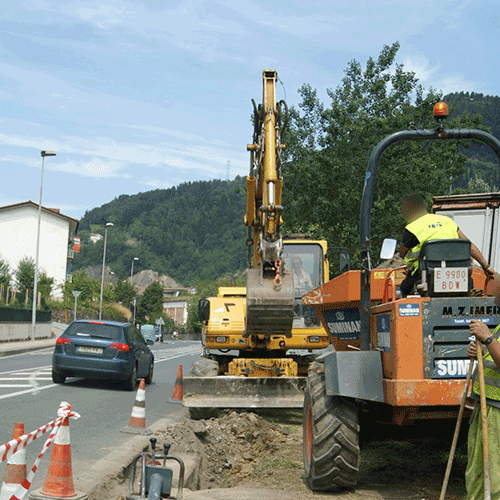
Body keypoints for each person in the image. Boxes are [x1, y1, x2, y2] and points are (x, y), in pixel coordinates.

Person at [398, 193, 494, 297]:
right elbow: (469, 246)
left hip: (427, 278)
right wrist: (486, 266)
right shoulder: (447, 221)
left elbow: (402, 254)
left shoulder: (412, 228)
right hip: (458, 276)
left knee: (404, 286)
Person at [465, 274, 500, 499]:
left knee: (493, 475)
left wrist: (488, 339)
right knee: (478, 471)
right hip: (486, 406)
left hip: (498, 412)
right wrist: (482, 351)